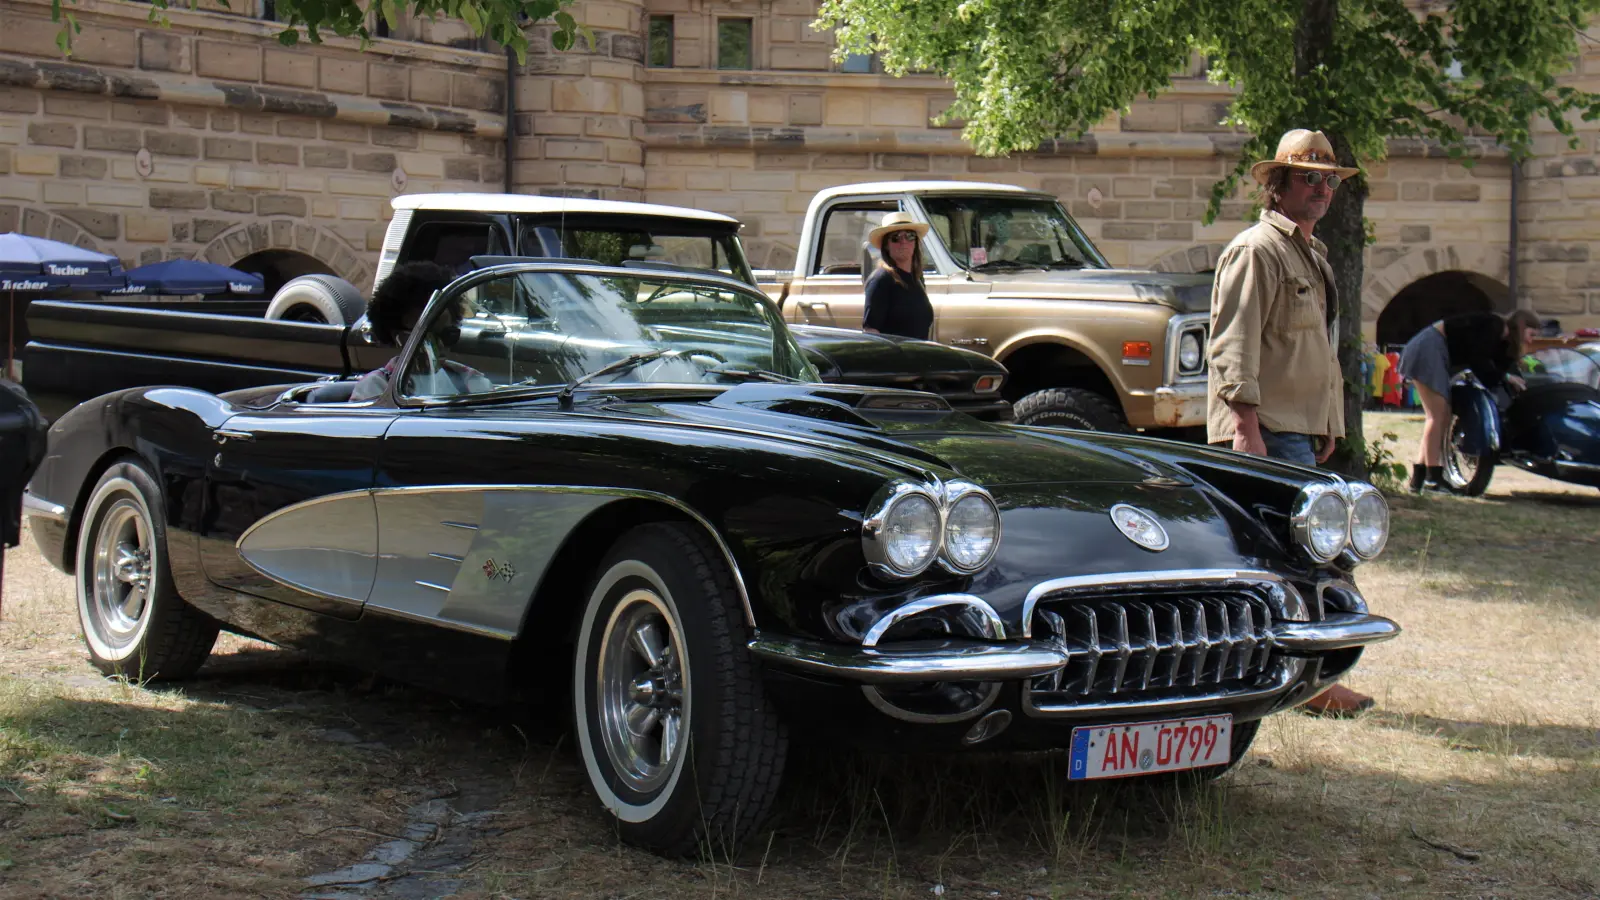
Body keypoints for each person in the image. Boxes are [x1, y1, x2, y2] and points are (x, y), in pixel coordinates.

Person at [1207, 128, 1373, 717]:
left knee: (1299, 555)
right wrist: (1244, 427)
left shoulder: (1310, 253)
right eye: (1309, 177)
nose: (1323, 188)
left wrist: (1327, 421)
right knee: (1315, 554)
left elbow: (1312, 351)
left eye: (1330, 179)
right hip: (1267, 429)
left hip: (1294, 427)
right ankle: (1313, 681)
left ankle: (1296, 674)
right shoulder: (1257, 249)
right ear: (1277, 186)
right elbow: (1233, 345)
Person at [1397, 309, 1539, 492]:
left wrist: (1510, 376)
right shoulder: (1494, 326)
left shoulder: (1500, 339)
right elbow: (1478, 360)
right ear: (1521, 326)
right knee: (1437, 417)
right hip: (1429, 347)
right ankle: (1433, 479)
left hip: (1434, 349)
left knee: (1441, 416)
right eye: (1531, 334)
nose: (1531, 340)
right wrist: (1506, 377)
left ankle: (1419, 479)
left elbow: (1493, 365)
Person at [350, 261, 490, 401]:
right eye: (426, 338)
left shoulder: (470, 382)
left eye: (449, 335)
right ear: (397, 337)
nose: (440, 345)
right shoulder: (375, 388)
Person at [862, 211, 934, 341]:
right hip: (895, 359)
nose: (903, 241)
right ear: (886, 245)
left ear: (915, 242)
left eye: (910, 236)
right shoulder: (881, 280)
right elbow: (871, 332)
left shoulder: (917, 279)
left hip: (920, 356)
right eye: (896, 237)